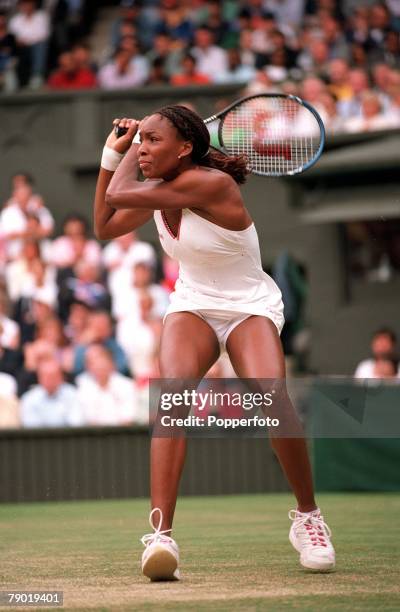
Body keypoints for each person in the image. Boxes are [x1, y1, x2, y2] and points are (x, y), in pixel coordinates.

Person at [93, 105, 335, 581]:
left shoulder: (212, 184)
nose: (143, 148)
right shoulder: (160, 190)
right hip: (194, 302)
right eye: (144, 141)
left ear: (186, 148)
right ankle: (161, 537)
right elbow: (104, 225)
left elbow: (119, 193)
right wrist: (117, 150)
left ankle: (308, 518)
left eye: (153, 141)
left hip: (249, 306)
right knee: (171, 401)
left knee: (273, 396)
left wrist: (122, 144)